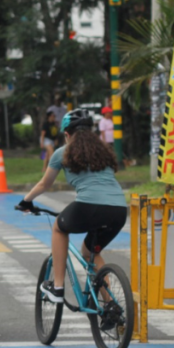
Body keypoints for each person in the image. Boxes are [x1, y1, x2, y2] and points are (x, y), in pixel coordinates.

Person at [17, 109, 128, 323]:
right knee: (90, 253)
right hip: (118, 210)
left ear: (67, 135)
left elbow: (45, 184)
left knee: (59, 228)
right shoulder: (103, 152)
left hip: (89, 206)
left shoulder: (63, 152)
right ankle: (111, 304)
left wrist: (26, 201)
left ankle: (58, 288)